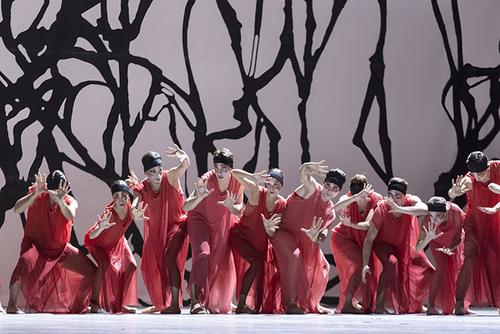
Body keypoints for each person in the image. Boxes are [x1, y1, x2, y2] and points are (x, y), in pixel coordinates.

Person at [7, 171, 97, 313]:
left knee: (91, 271)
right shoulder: (38, 194)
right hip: (35, 246)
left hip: (60, 249)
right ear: (48, 188)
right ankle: (12, 305)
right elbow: (17, 209)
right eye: (53, 190)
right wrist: (35, 193)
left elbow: (70, 215)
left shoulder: (69, 200)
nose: (56, 193)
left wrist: (60, 201)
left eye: (60, 189)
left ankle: (80, 305)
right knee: (24, 263)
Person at [271, 161, 343, 314]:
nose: (329, 191)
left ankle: (311, 303)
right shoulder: (312, 188)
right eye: (328, 185)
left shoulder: (330, 210)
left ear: (339, 192)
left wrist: (316, 237)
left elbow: (323, 234)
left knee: (323, 266)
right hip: (283, 233)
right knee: (294, 257)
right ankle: (289, 303)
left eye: (335, 189)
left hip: (306, 241)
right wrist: (306, 167)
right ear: (323, 183)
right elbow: (304, 176)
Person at [127, 145, 190, 314]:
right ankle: (161, 303)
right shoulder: (143, 187)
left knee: (169, 257)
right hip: (156, 233)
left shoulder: (169, 177)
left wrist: (183, 157)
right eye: (152, 172)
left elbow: (184, 166)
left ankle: (175, 304)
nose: (157, 175)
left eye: (159, 170)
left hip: (179, 225)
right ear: (146, 173)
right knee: (148, 266)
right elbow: (135, 202)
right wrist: (134, 211)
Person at [183, 148, 243, 314]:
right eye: (217, 167)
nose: (219, 172)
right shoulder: (207, 179)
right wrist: (199, 196)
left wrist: (233, 207)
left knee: (222, 262)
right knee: (203, 255)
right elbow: (186, 206)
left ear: (231, 168)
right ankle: (196, 302)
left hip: (221, 222)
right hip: (199, 220)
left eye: (224, 168)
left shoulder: (238, 181)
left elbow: (239, 209)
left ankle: (220, 302)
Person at [362, 177, 434, 314]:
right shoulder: (381, 209)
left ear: (405, 196)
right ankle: (380, 304)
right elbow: (369, 239)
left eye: (397, 196)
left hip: (404, 245)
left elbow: (425, 209)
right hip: (383, 245)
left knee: (428, 270)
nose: (393, 199)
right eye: (390, 195)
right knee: (392, 262)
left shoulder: (410, 201)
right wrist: (365, 263)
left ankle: (416, 304)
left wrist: (400, 209)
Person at [448, 151, 500, 315]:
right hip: (475, 222)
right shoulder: (470, 178)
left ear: (488, 167)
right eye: (475, 174)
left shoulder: (498, 168)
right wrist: (454, 192)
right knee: (469, 256)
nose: (478, 177)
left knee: (496, 259)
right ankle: (460, 304)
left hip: (495, 220)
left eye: (481, 174)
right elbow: (454, 191)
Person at [229, 168, 287, 313]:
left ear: (282, 187)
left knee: (263, 268)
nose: (273, 188)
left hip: (259, 243)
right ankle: (241, 305)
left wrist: (268, 228)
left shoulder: (282, 204)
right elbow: (234, 173)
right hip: (241, 236)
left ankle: (253, 305)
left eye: (277, 185)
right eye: (270, 184)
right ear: (265, 184)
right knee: (257, 264)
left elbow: (272, 233)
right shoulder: (256, 192)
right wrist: (252, 176)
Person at [85, 180, 147, 313]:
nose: (121, 199)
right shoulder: (109, 214)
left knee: (131, 265)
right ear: (113, 198)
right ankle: (94, 303)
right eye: (117, 196)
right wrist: (101, 227)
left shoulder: (130, 207)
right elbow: (92, 236)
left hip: (117, 241)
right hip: (99, 244)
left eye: (124, 195)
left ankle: (119, 304)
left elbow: (137, 197)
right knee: (105, 266)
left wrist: (136, 187)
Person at [330, 174, 382, 313]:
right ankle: (348, 303)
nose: (359, 195)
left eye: (360, 192)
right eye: (354, 191)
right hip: (343, 238)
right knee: (360, 264)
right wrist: (354, 197)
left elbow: (368, 225)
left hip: (361, 237)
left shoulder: (375, 199)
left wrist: (351, 224)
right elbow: (335, 207)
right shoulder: (349, 197)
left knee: (368, 268)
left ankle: (359, 302)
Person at [416, 196, 464, 315]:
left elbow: (459, 236)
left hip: (453, 242)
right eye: (432, 216)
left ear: (446, 211)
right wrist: (429, 238)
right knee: (442, 269)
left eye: (439, 216)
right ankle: (433, 305)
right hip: (437, 243)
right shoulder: (428, 221)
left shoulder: (456, 212)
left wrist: (451, 247)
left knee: (456, 272)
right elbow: (417, 248)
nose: (435, 220)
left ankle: (457, 304)